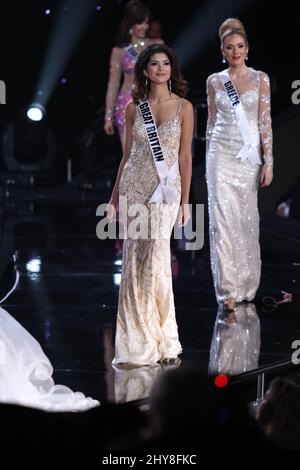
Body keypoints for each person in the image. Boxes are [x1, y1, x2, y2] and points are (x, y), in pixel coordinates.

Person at [107, 43, 194, 365]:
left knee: (156, 256)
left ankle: (161, 337)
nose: (160, 69)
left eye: (166, 64)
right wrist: (115, 195)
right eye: (154, 64)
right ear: (145, 70)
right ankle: (137, 341)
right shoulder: (134, 108)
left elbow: (185, 156)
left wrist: (185, 202)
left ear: (172, 69)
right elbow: (126, 157)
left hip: (166, 191)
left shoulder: (184, 107)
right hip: (135, 187)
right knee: (134, 260)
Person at [205, 18, 273, 311]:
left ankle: (246, 283)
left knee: (245, 221)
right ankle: (227, 290)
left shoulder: (261, 79)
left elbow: (265, 123)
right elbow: (210, 123)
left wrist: (269, 162)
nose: (235, 52)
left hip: (248, 158)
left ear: (247, 48)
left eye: (240, 46)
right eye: (229, 47)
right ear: (222, 50)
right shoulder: (214, 81)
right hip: (220, 154)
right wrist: (207, 159)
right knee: (221, 222)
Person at [104, 0, 163, 150]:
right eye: (140, 23)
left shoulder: (157, 46)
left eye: (146, 22)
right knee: (131, 159)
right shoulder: (120, 51)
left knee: (153, 158)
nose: (145, 26)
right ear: (131, 23)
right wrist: (108, 117)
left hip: (152, 103)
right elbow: (113, 85)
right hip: (127, 104)